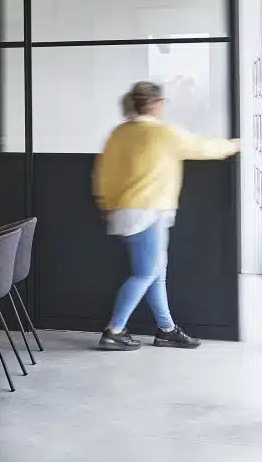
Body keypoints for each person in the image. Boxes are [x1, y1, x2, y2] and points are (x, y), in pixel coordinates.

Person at [92, 81, 240, 351]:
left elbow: (103, 173)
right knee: (146, 273)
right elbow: (204, 148)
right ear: (156, 104)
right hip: (149, 211)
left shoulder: (119, 133)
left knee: (154, 273)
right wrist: (236, 145)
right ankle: (114, 330)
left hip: (123, 211)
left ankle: (166, 329)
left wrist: (107, 203)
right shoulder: (162, 132)